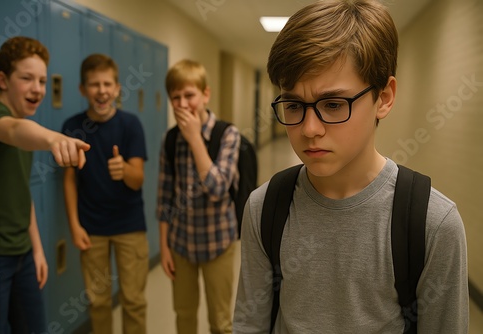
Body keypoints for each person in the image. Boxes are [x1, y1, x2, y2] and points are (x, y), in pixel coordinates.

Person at [233, 1, 468, 333]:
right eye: (294, 105)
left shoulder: (433, 224)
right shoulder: (264, 208)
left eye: (332, 104)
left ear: (384, 98)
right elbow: (249, 324)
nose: (309, 128)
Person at [0, 36, 90, 333]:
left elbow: (22, 192)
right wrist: (54, 138)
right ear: (2, 80)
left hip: (24, 254)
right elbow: (15, 130)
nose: (38, 89)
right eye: (27, 78)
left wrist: (38, 250)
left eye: (42, 80)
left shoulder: (23, 121)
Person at [62, 54, 149, 334]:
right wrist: (74, 226)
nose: (101, 90)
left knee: (133, 300)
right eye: (94, 84)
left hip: (129, 227)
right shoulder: (72, 127)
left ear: (116, 88)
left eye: (107, 84)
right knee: (97, 302)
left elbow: (138, 180)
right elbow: (69, 181)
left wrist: (123, 169)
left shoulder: (130, 124)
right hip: (92, 228)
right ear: (83, 90)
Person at [157, 59, 240, 334]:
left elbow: (218, 189)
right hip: (181, 243)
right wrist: (164, 246)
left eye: (189, 95)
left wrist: (195, 139)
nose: (182, 104)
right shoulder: (170, 139)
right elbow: (165, 196)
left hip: (218, 241)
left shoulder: (227, 134)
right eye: (176, 98)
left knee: (220, 321)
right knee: (184, 315)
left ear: (205, 94)